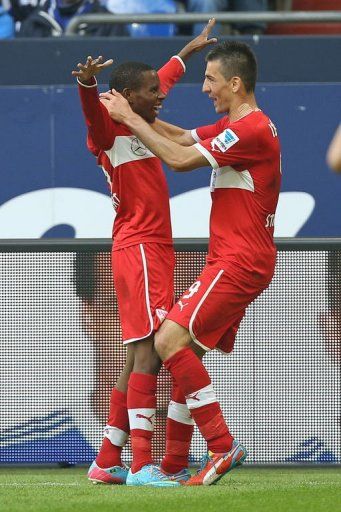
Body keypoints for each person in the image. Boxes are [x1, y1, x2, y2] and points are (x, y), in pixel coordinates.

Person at [100, 39, 282, 486]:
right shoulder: (237, 126)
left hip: (239, 260)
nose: (204, 88)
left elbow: (179, 159)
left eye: (211, 80)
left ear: (235, 83)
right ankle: (175, 462)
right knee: (188, 351)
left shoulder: (251, 130)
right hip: (233, 257)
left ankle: (222, 446)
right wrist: (141, 116)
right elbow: (181, 137)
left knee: (166, 341)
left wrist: (128, 118)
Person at [72, 20, 217, 487]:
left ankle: (106, 460)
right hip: (139, 249)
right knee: (149, 355)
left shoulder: (143, 120)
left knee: (136, 359)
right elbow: (94, 114)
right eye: (150, 91)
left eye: (159, 88)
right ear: (125, 97)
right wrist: (88, 84)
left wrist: (186, 53)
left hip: (152, 249)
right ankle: (140, 465)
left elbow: (162, 78)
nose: (161, 95)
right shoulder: (109, 131)